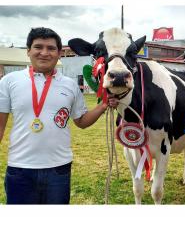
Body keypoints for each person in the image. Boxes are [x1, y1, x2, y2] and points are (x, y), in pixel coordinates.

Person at [0, 27, 118, 204]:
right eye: (38, 47)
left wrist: (103, 106)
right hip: (20, 168)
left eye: (51, 48)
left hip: (59, 169)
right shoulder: (10, 81)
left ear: (59, 53)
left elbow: (81, 121)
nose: (44, 53)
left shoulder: (69, 85)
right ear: (28, 51)